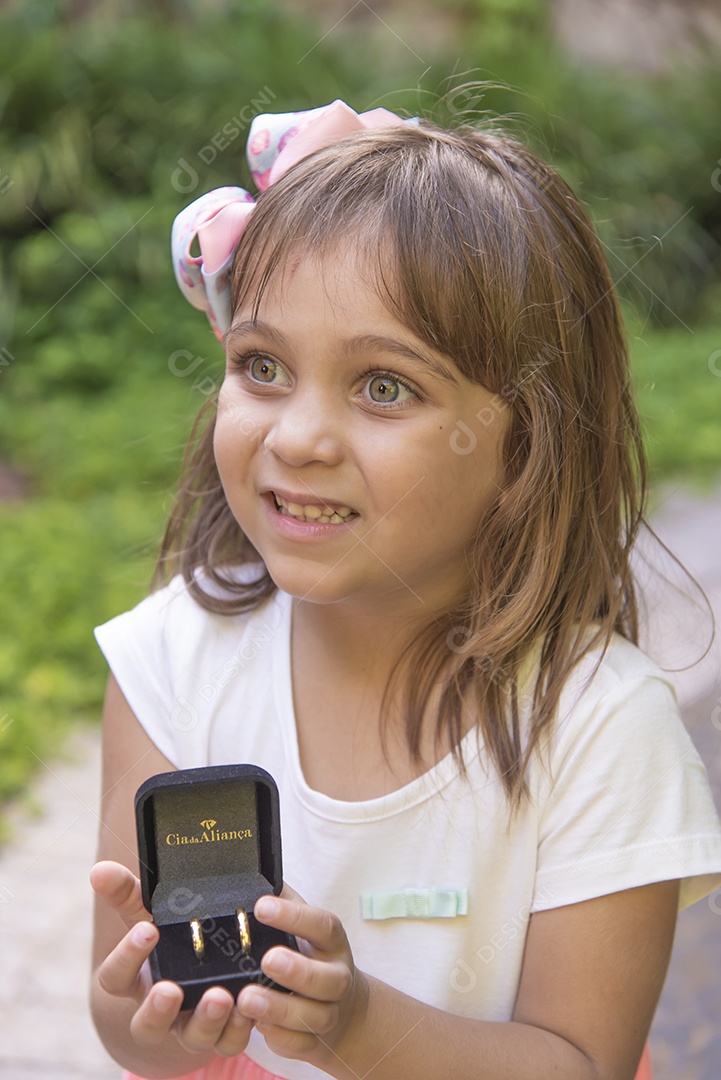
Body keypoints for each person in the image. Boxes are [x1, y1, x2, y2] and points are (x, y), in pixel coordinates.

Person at [89, 98, 721, 1080]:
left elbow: (577, 1062)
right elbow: (131, 1029)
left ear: (522, 450)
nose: (297, 437)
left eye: (384, 386)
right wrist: (147, 1012)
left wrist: (357, 1029)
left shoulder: (598, 727)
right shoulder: (168, 665)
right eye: (261, 365)